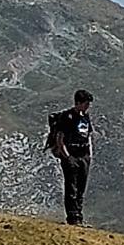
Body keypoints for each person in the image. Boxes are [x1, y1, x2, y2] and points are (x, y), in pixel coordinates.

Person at [46, 90, 96, 225]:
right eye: (86, 104)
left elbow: (89, 135)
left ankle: (79, 216)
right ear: (78, 103)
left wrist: (89, 155)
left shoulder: (85, 116)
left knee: (81, 187)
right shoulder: (68, 117)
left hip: (84, 154)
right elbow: (60, 138)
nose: (87, 106)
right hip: (71, 155)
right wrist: (67, 157)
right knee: (71, 187)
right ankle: (73, 218)